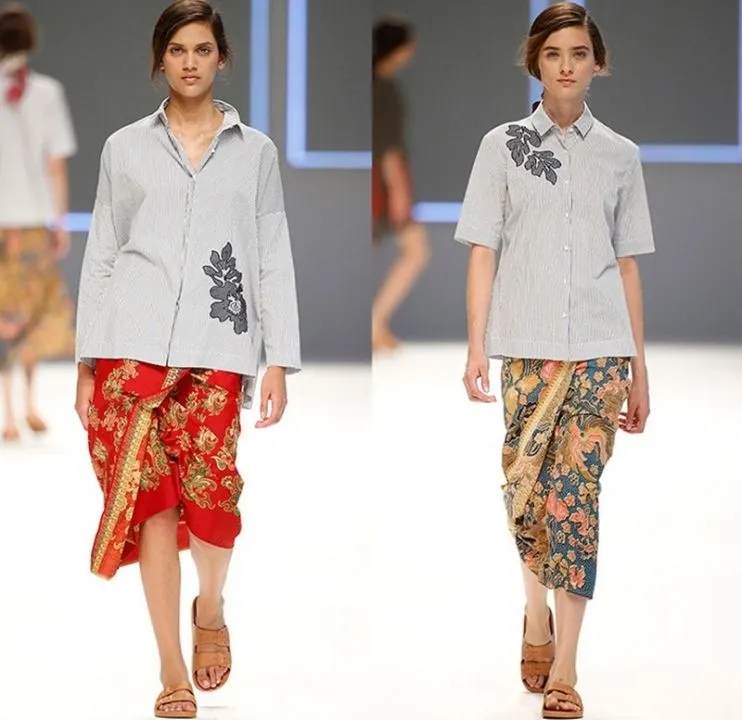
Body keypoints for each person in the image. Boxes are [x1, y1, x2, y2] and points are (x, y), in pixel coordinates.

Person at [74, 1, 301, 717]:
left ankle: (211, 604)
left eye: (203, 49)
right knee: (155, 503)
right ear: (160, 60)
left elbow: (272, 256)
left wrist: (278, 357)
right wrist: (86, 361)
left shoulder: (256, 152)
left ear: (222, 58)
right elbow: (102, 252)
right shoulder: (124, 148)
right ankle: (171, 668)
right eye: (178, 50)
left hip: (216, 347)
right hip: (130, 346)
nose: (191, 62)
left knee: (213, 500)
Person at [456, 4, 653, 718]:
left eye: (579, 53)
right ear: (535, 62)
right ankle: (533, 611)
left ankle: (566, 665)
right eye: (553, 54)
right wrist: (476, 344)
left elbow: (627, 264)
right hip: (527, 350)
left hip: (600, 352)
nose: (567, 66)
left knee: (577, 498)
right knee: (527, 494)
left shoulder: (621, 156)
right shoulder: (502, 146)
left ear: (597, 62)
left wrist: (640, 366)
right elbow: (484, 249)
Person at [0, 2, 77, 442]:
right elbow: (56, 165)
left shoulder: (45, 92)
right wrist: (59, 220)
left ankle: (9, 413)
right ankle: (28, 404)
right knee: (31, 313)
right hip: (30, 222)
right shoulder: (46, 93)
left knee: (3, 314)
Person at [371, 18, 430, 353]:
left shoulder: (379, 86)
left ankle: (374, 323)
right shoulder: (384, 90)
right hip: (382, 181)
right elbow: (389, 148)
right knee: (415, 249)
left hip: (380, 179)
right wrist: (399, 191)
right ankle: (373, 324)